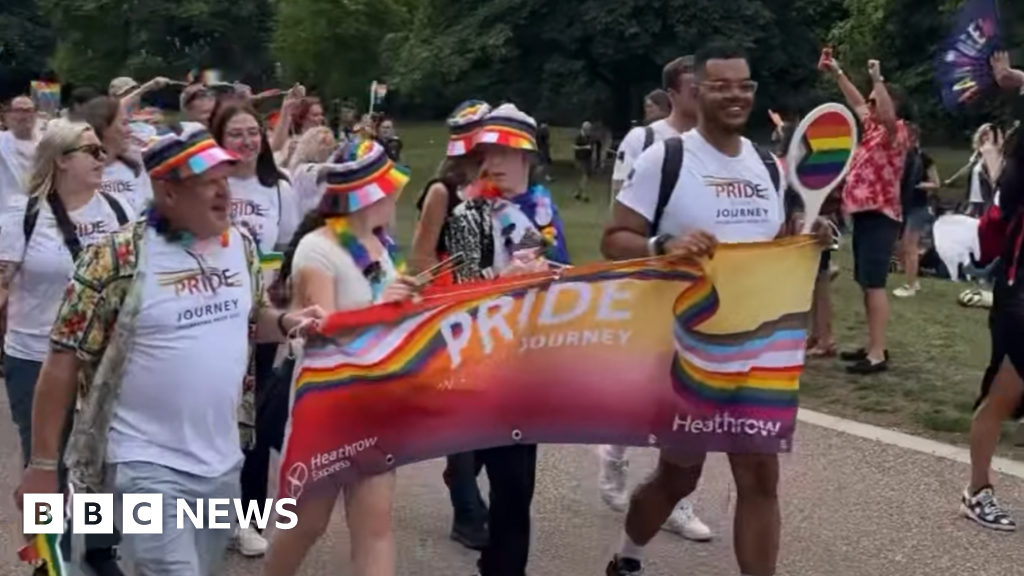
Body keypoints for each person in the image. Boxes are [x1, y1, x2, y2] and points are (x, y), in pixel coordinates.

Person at [16, 122, 323, 575]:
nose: (224, 194)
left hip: (222, 461)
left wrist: (287, 323)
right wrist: (42, 465)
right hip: (143, 462)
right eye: (207, 184)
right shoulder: (116, 258)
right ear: (168, 192)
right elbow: (63, 360)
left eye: (225, 180)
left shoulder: (240, 246)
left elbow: (250, 317)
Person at [601, 42, 831, 576]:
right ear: (697, 91)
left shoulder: (768, 166)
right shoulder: (668, 157)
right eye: (721, 85)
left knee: (759, 477)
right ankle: (627, 557)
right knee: (679, 477)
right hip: (687, 350)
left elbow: (770, 243)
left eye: (744, 85)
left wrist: (805, 238)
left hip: (757, 351)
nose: (735, 95)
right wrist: (664, 246)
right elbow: (615, 238)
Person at [261, 140, 412, 576]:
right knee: (306, 522)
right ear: (367, 192)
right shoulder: (316, 248)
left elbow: (393, 323)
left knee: (376, 524)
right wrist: (385, 308)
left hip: (377, 403)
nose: (395, 194)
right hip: (328, 407)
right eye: (388, 186)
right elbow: (319, 334)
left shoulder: (383, 246)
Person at [441, 102, 570, 576]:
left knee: (518, 492)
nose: (494, 161)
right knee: (508, 480)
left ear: (528, 157)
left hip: (533, 365)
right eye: (486, 152)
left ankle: (500, 563)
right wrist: (508, 280)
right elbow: (462, 295)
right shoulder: (468, 215)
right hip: (487, 366)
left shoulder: (543, 210)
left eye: (506, 152)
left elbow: (566, 277)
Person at [0, 120, 132, 576]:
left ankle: (97, 548)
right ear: (61, 159)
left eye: (102, 151)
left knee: (100, 456)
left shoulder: (120, 211)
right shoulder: (22, 216)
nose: (101, 159)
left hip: (102, 364)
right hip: (34, 358)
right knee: (45, 458)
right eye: (91, 151)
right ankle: (48, 555)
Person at [599, 54, 712, 543]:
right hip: (649, 280)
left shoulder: (717, 148)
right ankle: (616, 453)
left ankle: (676, 497)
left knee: (684, 391)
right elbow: (619, 217)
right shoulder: (644, 140)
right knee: (646, 386)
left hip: (701, 289)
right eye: (693, 86)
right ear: (673, 92)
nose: (701, 93)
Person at [210, 103, 301, 557]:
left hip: (259, 320)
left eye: (253, 133)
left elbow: (285, 251)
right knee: (214, 414)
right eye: (236, 133)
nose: (246, 142)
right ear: (218, 138)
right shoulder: (208, 183)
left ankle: (249, 518)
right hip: (211, 314)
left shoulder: (278, 186)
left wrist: (282, 302)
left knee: (256, 422)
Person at [409, 100, 491, 551]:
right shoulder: (442, 190)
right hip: (452, 313)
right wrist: (433, 309)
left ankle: (461, 473)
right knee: (463, 413)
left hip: (493, 311)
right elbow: (420, 255)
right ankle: (467, 510)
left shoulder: (494, 189)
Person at [960, 50, 1024, 531]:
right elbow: (995, 227)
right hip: (1020, 297)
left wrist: (1008, 77)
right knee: (1004, 396)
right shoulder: (1017, 181)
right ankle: (977, 490)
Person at [822, 54, 909, 375]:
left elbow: (884, 113)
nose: (869, 108)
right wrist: (838, 73)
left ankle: (877, 355)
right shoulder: (873, 129)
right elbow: (857, 103)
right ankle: (874, 344)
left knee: (874, 285)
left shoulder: (896, 132)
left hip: (880, 215)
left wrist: (877, 78)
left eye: (876, 103)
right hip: (864, 215)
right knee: (865, 283)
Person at [74, 95, 155, 214]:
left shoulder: (137, 164)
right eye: (124, 123)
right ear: (103, 127)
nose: (130, 130)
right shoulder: (76, 173)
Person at [893, 124, 940, 298]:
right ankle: (914, 280)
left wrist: (918, 185)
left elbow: (936, 183)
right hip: (903, 206)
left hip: (918, 207)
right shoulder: (900, 157)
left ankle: (910, 285)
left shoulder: (924, 159)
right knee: (901, 248)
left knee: (909, 246)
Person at [0, 96, 40, 209]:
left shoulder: (45, 145)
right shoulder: (2, 140)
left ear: (35, 114)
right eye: (18, 111)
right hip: (6, 211)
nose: (24, 116)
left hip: (40, 211)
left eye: (28, 110)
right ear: (7, 115)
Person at [573, 121, 597, 202]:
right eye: (588, 129)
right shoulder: (579, 137)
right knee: (584, 176)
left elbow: (592, 147)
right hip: (580, 159)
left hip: (587, 159)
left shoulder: (589, 137)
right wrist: (585, 147)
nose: (589, 131)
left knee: (585, 177)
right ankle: (584, 195)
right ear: (584, 128)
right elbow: (575, 147)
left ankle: (578, 193)